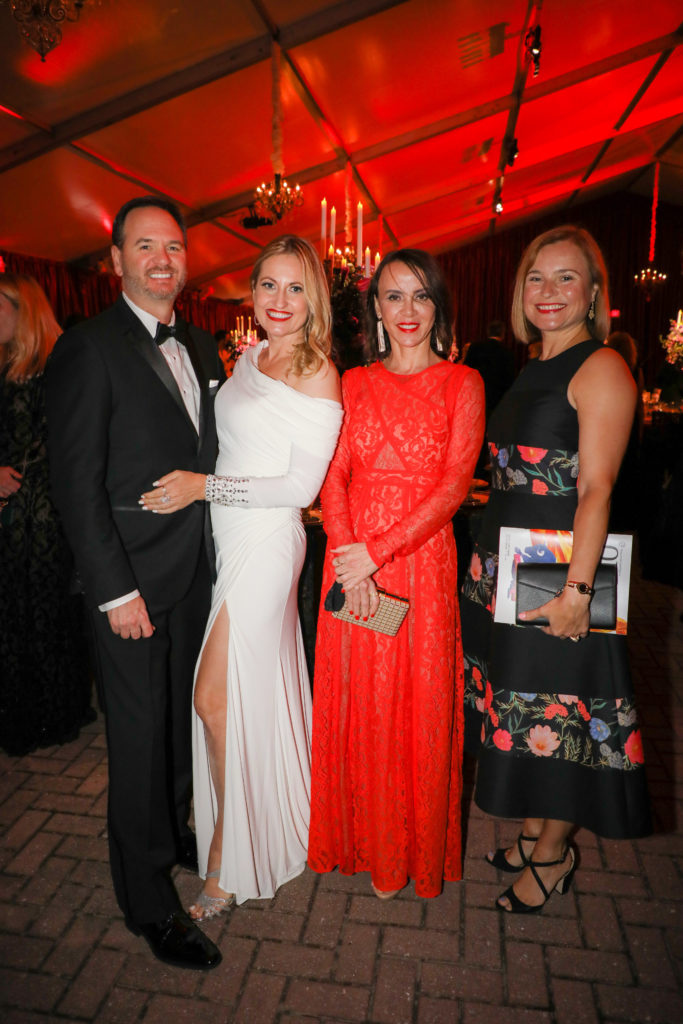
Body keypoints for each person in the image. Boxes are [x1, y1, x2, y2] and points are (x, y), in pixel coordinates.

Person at [45, 197, 224, 970]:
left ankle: (173, 829)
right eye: (144, 246)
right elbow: (74, 484)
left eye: (173, 246)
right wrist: (115, 592)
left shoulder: (204, 344)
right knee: (138, 737)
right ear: (116, 259)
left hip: (195, 572)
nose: (161, 259)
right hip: (131, 583)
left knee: (179, 721)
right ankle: (148, 902)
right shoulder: (87, 348)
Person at [139, 235, 342, 915]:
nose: (279, 300)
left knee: (213, 698)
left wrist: (205, 489)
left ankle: (229, 852)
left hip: (267, 542)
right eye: (268, 285)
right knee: (240, 694)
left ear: (313, 299)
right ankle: (273, 821)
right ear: (251, 292)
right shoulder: (249, 357)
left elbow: (300, 488)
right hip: (225, 541)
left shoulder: (318, 372)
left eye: (294, 287)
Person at [461, 226, 652, 915]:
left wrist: (577, 591)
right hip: (510, 562)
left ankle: (552, 854)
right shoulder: (537, 362)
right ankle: (536, 830)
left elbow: (597, 488)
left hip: (558, 566)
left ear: (593, 292)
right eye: (536, 278)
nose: (548, 291)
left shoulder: (600, 366)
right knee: (527, 700)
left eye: (566, 277)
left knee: (563, 711)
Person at [307, 249, 485, 899]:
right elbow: (333, 478)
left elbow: (453, 487)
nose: (407, 310)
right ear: (374, 309)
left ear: (438, 305)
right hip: (351, 559)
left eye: (419, 295)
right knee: (360, 701)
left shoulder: (462, 383)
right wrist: (349, 558)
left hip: (419, 563)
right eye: (392, 296)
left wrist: (376, 552)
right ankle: (360, 838)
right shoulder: (351, 383)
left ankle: (404, 851)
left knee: (415, 702)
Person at [0, 273, 93, 756]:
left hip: (42, 512)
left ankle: (51, 713)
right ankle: (31, 711)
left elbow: (59, 442)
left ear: (24, 309)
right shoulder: (7, 365)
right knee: (20, 614)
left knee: (43, 614)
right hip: (21, 509)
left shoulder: (53, 366)